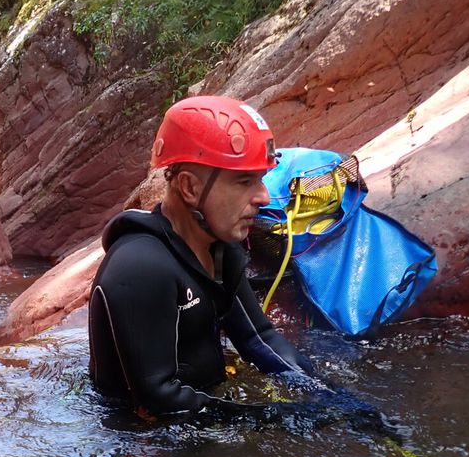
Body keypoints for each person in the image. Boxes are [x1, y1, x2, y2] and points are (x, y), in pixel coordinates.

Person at [88, 95, 314, 420]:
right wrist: (271, 417)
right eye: (244, 181)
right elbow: (159, 397)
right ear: (190, 188)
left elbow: (258, 338)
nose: (264, 197)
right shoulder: (141, 267)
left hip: (200, 409)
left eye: (261, 179)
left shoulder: (220, 250)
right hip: (142, 440)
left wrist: (328, 396)